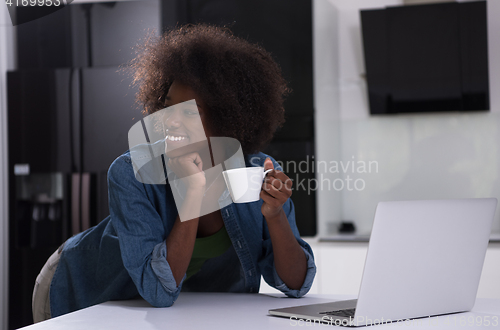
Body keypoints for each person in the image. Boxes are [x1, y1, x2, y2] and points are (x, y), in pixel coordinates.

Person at [32, 24, 316, 322]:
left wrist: (275, 215)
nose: (171, 122)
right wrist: (193, 194)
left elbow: (296, 285)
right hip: (81, 293)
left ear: (228, 119)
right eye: (168, 108)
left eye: (189, 112)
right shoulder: (131, 171)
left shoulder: (258, 171)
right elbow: (158, 291)